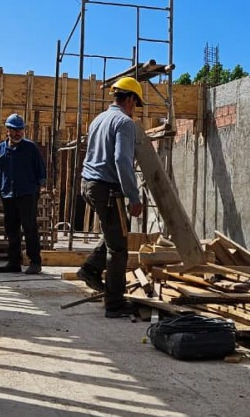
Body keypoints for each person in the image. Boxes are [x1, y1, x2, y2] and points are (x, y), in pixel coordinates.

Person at [76, 77, 144, 318]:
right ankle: (114, 304)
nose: (135, 109)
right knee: (118, 248)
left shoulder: (99, 119)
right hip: (107, 189)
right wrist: (133, 196)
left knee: (113, 232)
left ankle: (90, 269)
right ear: (129, 99)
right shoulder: (124, 122)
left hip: (89, 184)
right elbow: (122, 161)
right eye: (136, 103)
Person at [0, 113, 46, 274]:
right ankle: (14, 262)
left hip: (27, 194)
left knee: (29, 228)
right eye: (15, 130)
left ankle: (35, 262)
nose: (18, 133)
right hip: (8, 195)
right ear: (8, 131)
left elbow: (41, 171)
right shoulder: (0, 150)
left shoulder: (30, 148)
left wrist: (38, 188)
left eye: (21, 129)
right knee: (11, 230)